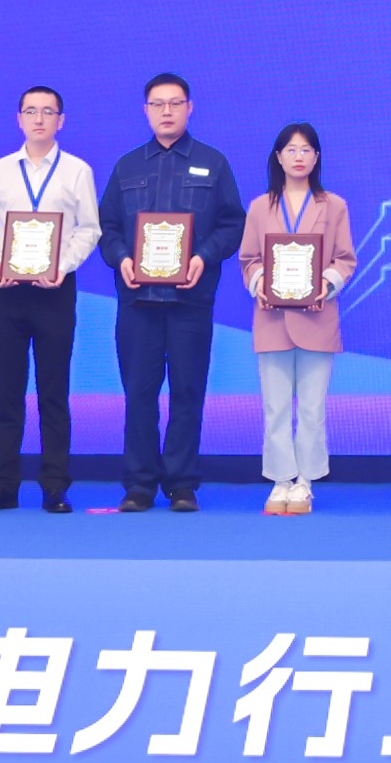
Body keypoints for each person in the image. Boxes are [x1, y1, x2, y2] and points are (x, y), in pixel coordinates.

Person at [99, 73, 246, 513]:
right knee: (139, 394)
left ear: (189, 108)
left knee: (187, 392)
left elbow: (232, 224)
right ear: (146, 110)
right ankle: (139, 485)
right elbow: (107, 227)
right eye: (158, 104)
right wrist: (121, 258)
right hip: (138, 301)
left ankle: (182, 484)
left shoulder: (213, 163)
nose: (167, 111)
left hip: (191, 301)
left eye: (175, 103)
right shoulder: (127, 166)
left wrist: (203, 256)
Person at [0, 86, 101, 514]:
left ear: (61, 120)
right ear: (19, 119)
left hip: (55, 291)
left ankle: (54, 485)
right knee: (7, 392)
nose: (39, 119)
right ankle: (3, 486)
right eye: (31, 111)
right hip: (7, 291)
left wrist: (61, 266)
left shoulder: (77, 170)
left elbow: (89, 229)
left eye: (48, 112)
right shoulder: (0, 170)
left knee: (53, 391)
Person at [238, 123, 357, 515]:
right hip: (271, 319)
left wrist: (325, 284)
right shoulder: (260, 207)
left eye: (306, 150)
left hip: (317, 318)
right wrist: (261, 284)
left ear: (317, 157)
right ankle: (280, 479)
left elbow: (345, 259)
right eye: (291, 150)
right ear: (278, 157)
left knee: (311, 408)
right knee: (275, 407)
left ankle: (305, 480)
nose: (299, 156)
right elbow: (248, 259)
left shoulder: (334, 205)